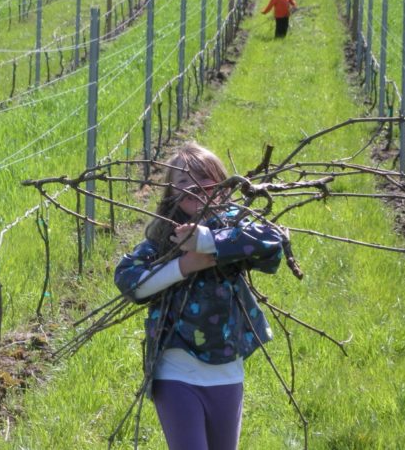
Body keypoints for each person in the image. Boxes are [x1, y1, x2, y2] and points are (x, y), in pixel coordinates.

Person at [114, 142, 286, 450]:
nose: (194, 186)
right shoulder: (164, 237)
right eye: (182, 180)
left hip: (226, 368)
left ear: (222, 184)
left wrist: (207, 241)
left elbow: (272, 244)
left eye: (204, 177)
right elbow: (129, 280)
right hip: (175, 369)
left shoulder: (235, 226)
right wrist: (184, 264)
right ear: (171, 192)